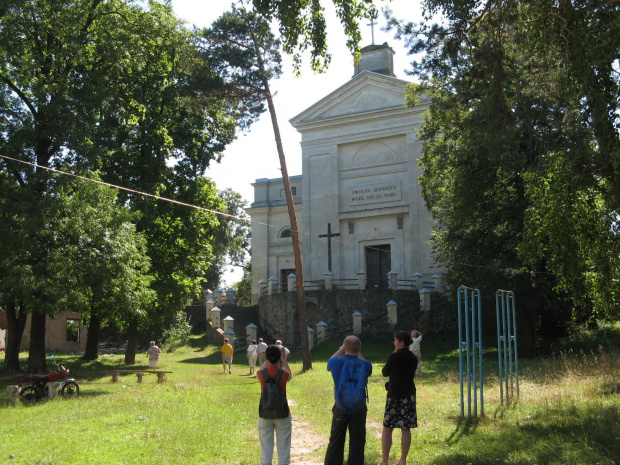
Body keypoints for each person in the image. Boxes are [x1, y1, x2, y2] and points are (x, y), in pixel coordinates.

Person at [324, 335, 372, 465]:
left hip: (341, 406)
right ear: (359, 348)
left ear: (345, 347)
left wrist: (341, 348)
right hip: (359, 406)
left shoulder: (336, 363)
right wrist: (358, 351)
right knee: (358, 441)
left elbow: (329, 361)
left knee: (336, 440)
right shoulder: (366, 365)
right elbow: (364, 362)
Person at [380, 331, 418, 465]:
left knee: (387, 427)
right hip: (409, 394)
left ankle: (384, 461)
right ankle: (403, 460)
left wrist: (394, 353)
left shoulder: (394, 357)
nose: (394, 343)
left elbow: (385, 372)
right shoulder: (413, 358)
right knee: (405, 428)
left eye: (395, 341)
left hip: (394, 394)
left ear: (401, 343)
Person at [257, 345, 293, 465]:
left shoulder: (261, 374)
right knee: (284, 448)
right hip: (282, 413)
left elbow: (260, 370)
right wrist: (284, 359)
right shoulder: (284, 374)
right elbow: (290, 375)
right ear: (279, 357)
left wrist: (267, 360)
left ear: (267, 357)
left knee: (266, 450)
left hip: (265, 413)